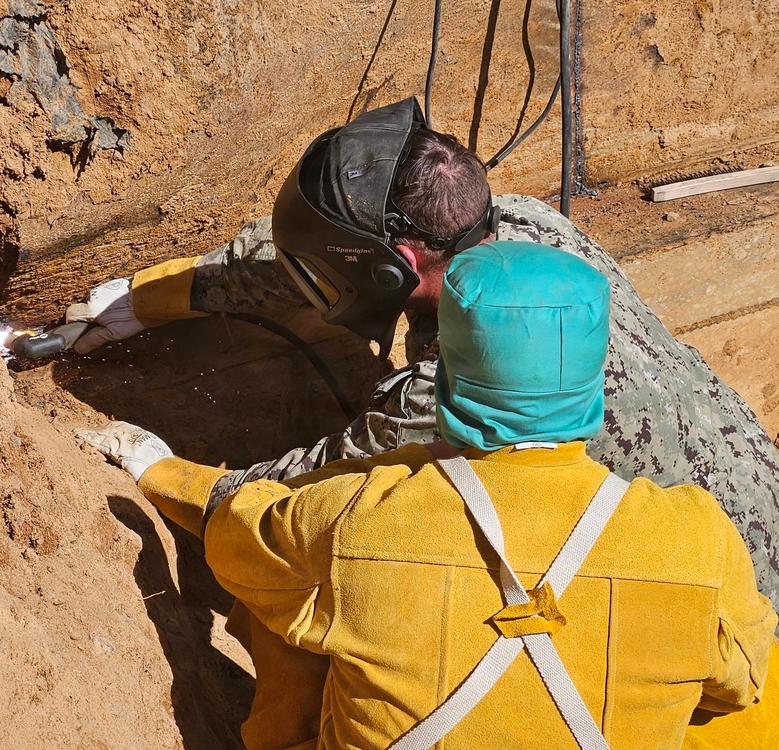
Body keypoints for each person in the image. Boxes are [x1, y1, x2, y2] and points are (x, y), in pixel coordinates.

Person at [66, 98, 779, 612]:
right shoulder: (526, 220)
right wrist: (154, 294)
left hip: (735, 614)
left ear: (399, 264)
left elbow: (297, 497)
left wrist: (164, 474)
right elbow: (317, 246)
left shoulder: (463, 386)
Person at [76, 241, 778, 748]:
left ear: (441, 383)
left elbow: (239, 525)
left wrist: (154, 465)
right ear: (593, 390)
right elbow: (738, 687)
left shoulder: (358, 514)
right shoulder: (698, 534)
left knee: (283, 605)